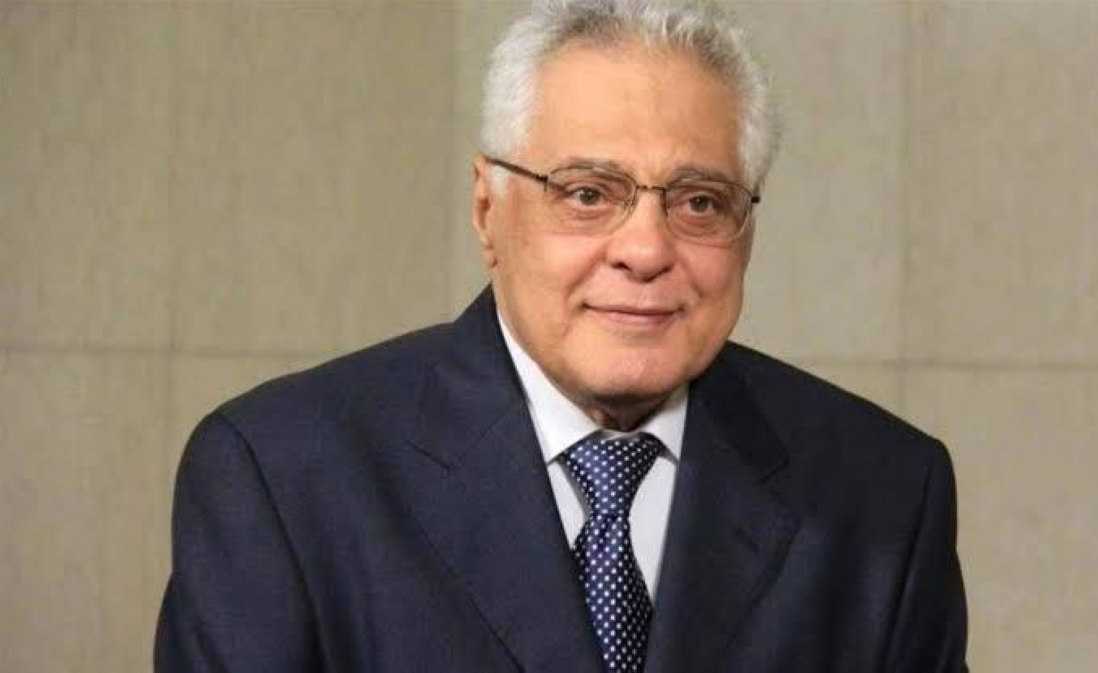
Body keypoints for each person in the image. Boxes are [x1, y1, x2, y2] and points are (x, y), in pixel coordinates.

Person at [154, 1, 968, 671]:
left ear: (746, 231)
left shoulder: (883, 495)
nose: (645, 250)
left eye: (698, 202)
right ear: (488, 210)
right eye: (587, 193)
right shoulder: (284, 478)